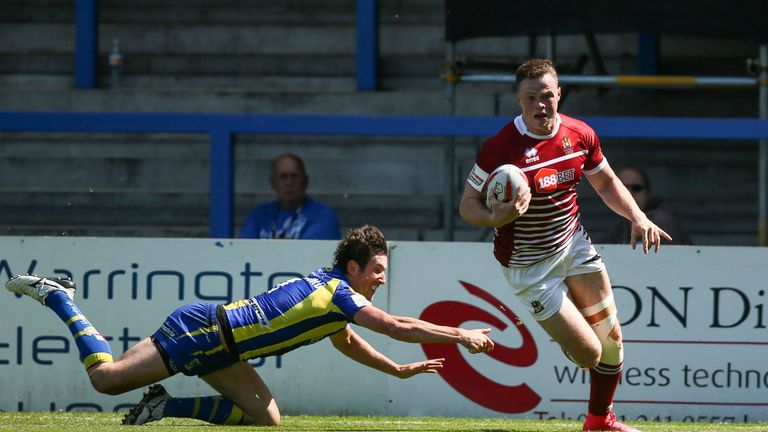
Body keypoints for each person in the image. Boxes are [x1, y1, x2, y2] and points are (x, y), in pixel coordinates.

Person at [5, 225, 494, 427]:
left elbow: (347, 342)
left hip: (224, 349)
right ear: (353, 268)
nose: (380, 282)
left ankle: (165, 404)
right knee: (105, 381)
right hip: (201, 331)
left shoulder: (334, 301)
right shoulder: (337, 293)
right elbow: (395, 326)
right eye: (377, 272)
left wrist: (396, 372)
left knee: (269, 421)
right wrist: (460, 333)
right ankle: (60, 298)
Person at [459, 59, 670, 432]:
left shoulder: (580, 134)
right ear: (518, 100)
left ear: (559, 94)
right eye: (530, 98)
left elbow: (605, 184)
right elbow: (467, 205)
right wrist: (496, 219)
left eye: (546, 96)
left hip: (573, 244)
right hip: (529, 266)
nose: (540, 105)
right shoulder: (499, 149)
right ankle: (565, 328)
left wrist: (637, 217)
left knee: (613, 339)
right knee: (589, 353)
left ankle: (599, 420)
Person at [239, 153, 340, 240]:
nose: (289, 182)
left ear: (306, 181)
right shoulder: (258, 215)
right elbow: (244, 251)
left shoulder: (322, 215)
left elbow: (305, 254)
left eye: (294, 176)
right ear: (273, 183)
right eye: (283, 176)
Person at [601, 166, 692, 245]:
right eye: (623, 188)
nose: (629, 193)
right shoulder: (619, 227)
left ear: (648, 192)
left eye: (636, 188)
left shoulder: (661, 221)